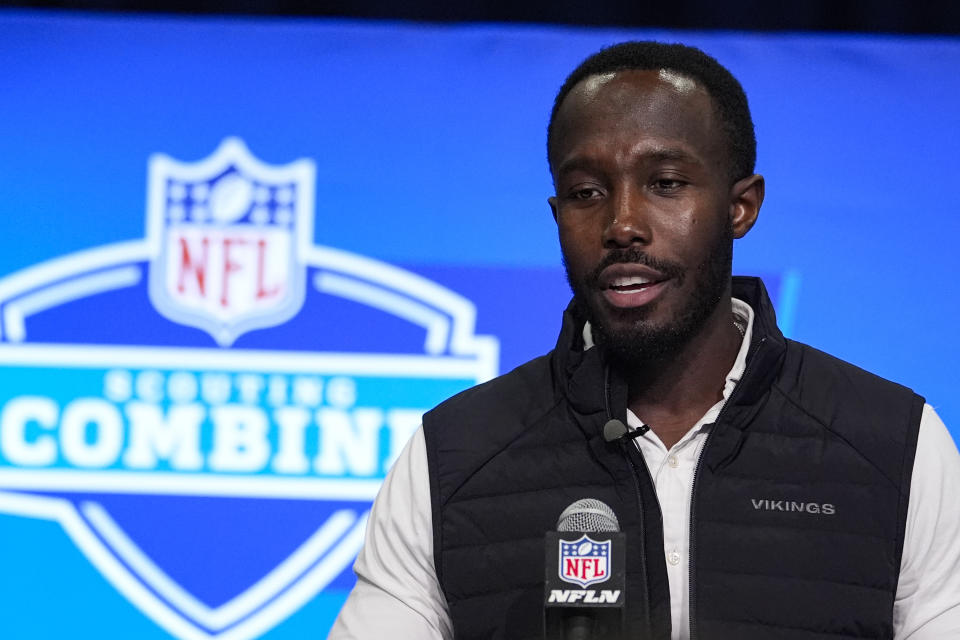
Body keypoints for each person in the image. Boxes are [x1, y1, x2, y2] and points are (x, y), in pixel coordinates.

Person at [329, 41, 960, 639]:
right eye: (586, 193)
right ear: (557, 216)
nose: (622, 224)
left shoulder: (894, 443)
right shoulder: (453, 456)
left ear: (741, 207)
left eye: (665, 183)